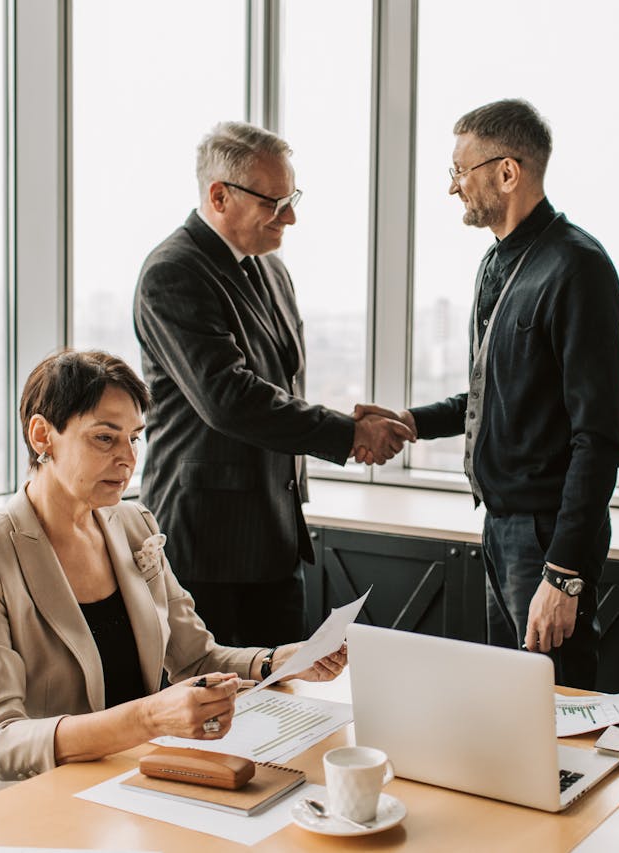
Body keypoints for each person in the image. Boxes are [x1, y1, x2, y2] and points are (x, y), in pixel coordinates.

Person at [0, 350, 347, 812]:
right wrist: (150, 717)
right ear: (41, 435)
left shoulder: (134, 525)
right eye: (105, 439)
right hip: (25, 803)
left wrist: (276, 663)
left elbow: (196, 658)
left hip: (128, 781)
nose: (128, 459)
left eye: (134, 438)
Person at [360, 100, 619, 688]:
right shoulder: (496, 263)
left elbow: (599, 439)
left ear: (507, 173)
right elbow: (490, 395)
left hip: (546, 539)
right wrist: (410, 420)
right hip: (500, 529)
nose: (454, 187)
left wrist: (563, 575)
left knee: (557, 712)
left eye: (461, 171)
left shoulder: (577, 268)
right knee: (512, 704)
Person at [134, 121, 413, 648]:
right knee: (220, 718)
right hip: (208, 550)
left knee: (286, 697)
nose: (291, 216)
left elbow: (280, 385)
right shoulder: (172, 273)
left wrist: (354, 425)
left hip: (276, 539)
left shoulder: (271, 270)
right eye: (276, 201)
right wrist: (348, 433)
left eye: (293, 198)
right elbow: (229, 399)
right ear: (219, 195)